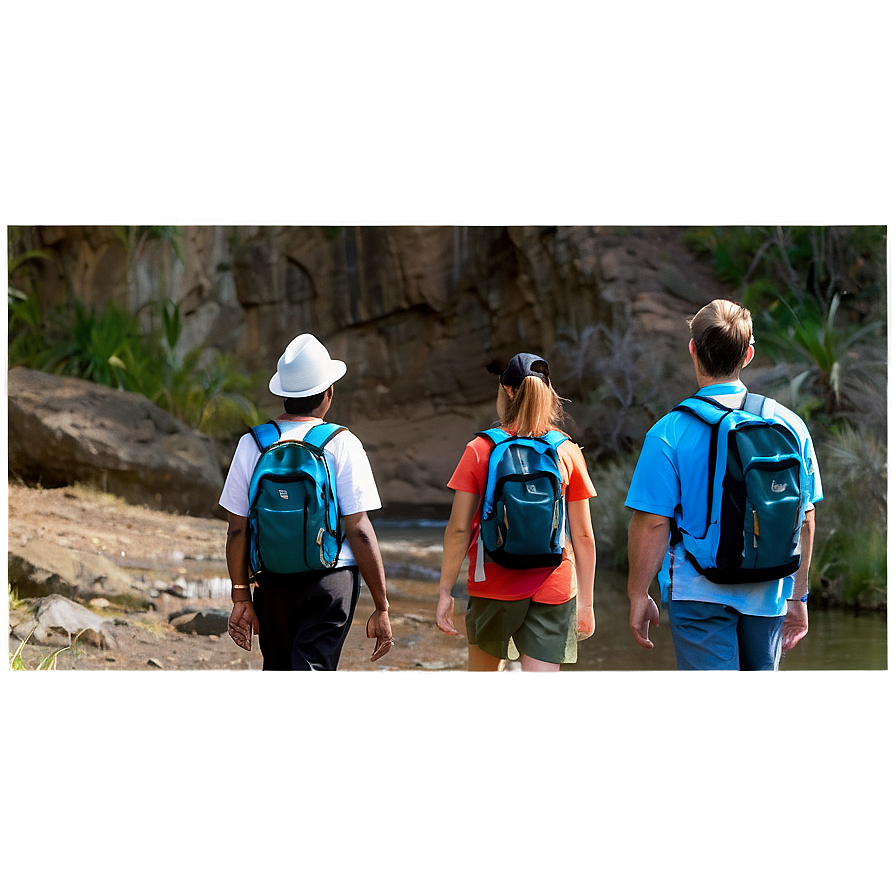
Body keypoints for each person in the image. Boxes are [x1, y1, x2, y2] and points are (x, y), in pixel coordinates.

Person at [625, 299, 822, 671]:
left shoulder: (668, 432)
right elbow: (805, 519)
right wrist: (799, 596)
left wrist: (638, 594)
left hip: (699, 594)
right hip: (770, 592)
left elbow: (651, 523)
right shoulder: (790, 425)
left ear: (693, 350)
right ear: (748, 354)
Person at [220, 333, 393, 670]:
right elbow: (358, 530)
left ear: (283, 394)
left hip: (272, 579)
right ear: (329, 393)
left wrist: (241, 594)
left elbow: (237, 531)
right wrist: (381, 604)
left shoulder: (251, 444)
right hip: (331, 579)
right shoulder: (342, 443)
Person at [436, 352, 597, 672]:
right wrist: (587, 604)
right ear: (548, 393)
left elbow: (458, 529)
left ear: (507, 391)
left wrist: (444, 591)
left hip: (493, 582)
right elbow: (582, 535)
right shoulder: (566, 450)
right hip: (554, 582)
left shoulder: (480, 449)